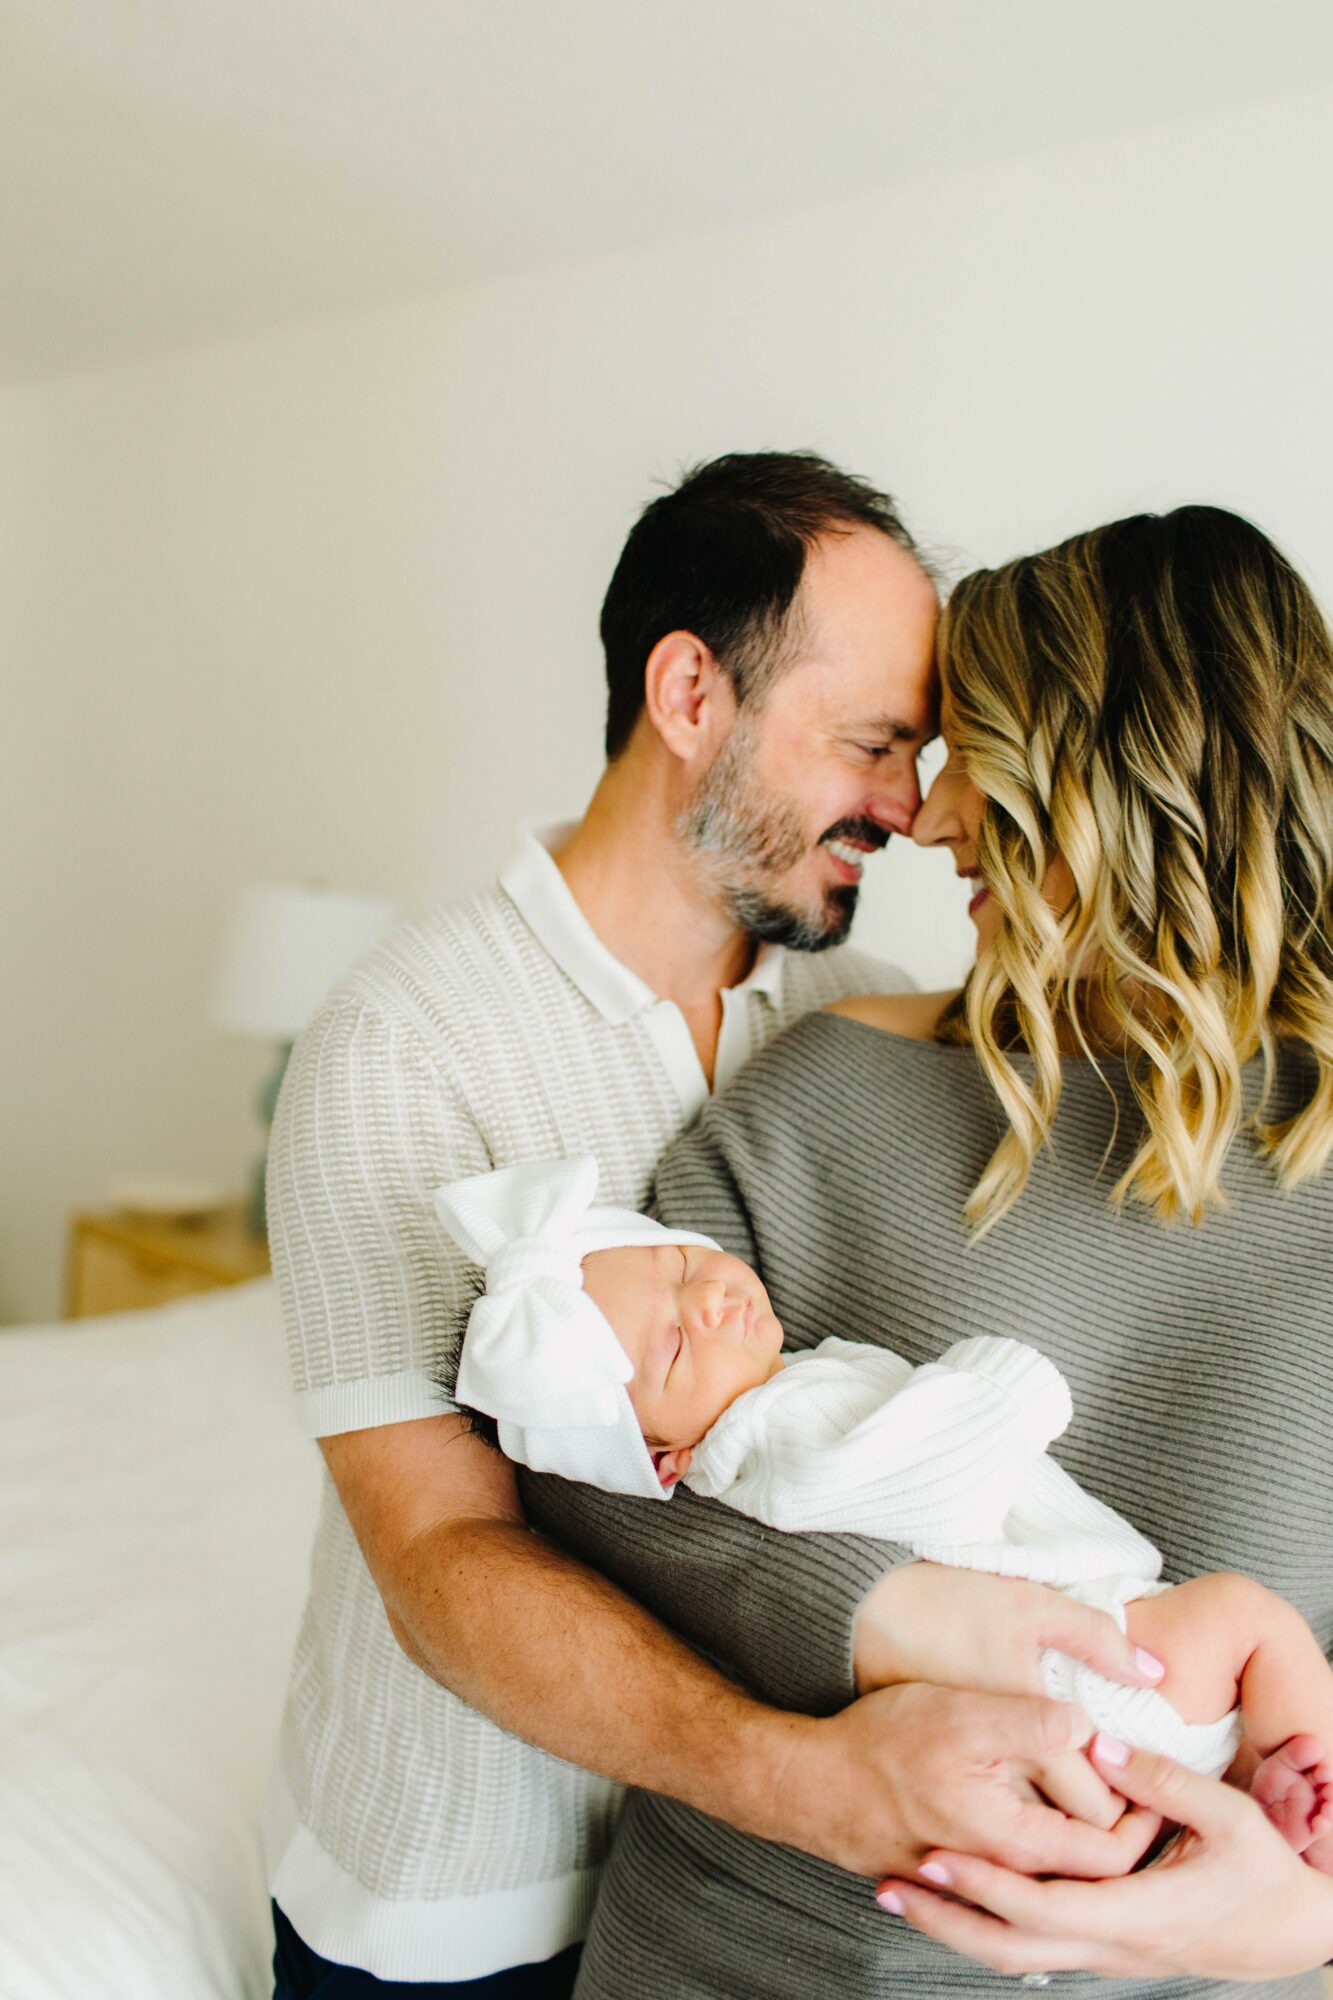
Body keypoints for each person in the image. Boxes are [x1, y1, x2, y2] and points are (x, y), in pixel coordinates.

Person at [266, 452, 1155, 1997]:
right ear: (690, 696)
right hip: (472, 1897)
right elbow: (444, 1551)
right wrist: (810, 1781)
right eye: (871, 743)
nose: (908, 805)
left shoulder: (847, 1020)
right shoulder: (403, 1042)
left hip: (732, 1911)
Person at [521, 503, 1333, 1996]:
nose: (928, 815)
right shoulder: (833, 1096)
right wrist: (884, 1621)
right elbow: (580, 1476)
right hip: (726, 1958)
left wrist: (1308, 1920)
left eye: (982, 753)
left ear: (1136, 771)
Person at [435, 1149, 1333, 1864]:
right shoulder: (774, 1424)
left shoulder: (772, 1402)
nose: (707, 1298)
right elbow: (942, 1479)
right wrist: (1004, 1386)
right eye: (674, 1343)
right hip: (1086, 1649)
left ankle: (1267, 1794)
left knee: (1228, 1729)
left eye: (678, 1260)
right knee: (1244, 1622)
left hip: (1051, 1700)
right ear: (664, 1459)